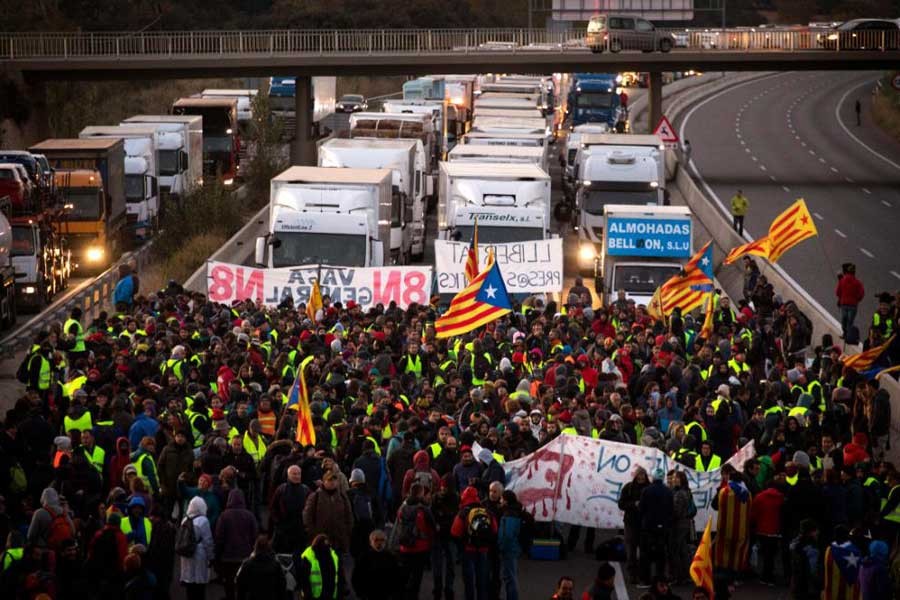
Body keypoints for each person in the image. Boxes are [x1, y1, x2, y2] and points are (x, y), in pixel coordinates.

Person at [452, 485, 497, 600]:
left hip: (468, 549)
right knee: (482, 579)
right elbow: (494, 529)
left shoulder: (463, 512)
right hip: (483, 549)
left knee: (469, 580)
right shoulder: (486, 511)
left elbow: (455, 532)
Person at [215, 489, 258, 600]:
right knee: (243, 585)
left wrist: (217, 556)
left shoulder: (224, 516)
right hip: (245, 556)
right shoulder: (249, 516)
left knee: (229, 584)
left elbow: (219, 538)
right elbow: (255, 536)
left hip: (227, 557)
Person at [180, 496, 215, 600]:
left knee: (189, 584)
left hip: (186, 553)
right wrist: (211, 557)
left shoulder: (185, 520)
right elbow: (207, 542)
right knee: (199, 586)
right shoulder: (203, 521)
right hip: (199, 554)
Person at [234, 535, 286, 600]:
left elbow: (240, 584)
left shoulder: (247, 564)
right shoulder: (276, 565)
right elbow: (282, 585)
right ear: (268, 547)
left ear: (255, 547)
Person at [352, 529, 399, 600]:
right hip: (369, 594)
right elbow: (356, 577)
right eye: (376, 540)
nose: (379, 543)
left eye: (382, 540)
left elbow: (397, 577)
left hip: (386, 594)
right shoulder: (364, 558)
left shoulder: (391, 557)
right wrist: (361, 593)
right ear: (371, 542)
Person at [299, 534, 345, 600]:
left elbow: (340, 577)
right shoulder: (308, 556)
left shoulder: (334, 556)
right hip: (315, 596)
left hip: (331, 595)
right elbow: (304, 580)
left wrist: (341, 593)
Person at [789, 519, 820, 600]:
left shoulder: (795, 543)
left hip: (796, 582)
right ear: (811, 532)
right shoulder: (811, 548)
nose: (817, 532)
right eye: (816, 530)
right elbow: (813, 570)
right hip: (808, 587)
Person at [835, 263, 865, 339]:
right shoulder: (857, 282)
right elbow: (861, 293)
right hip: (853, 305)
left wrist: (841, 298)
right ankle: (848, 336)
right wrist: (857, 299)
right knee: (850, 322)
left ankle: (845, 334)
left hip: (844, 304)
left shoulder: (842, 280)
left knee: (844, 319)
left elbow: (837, 292)